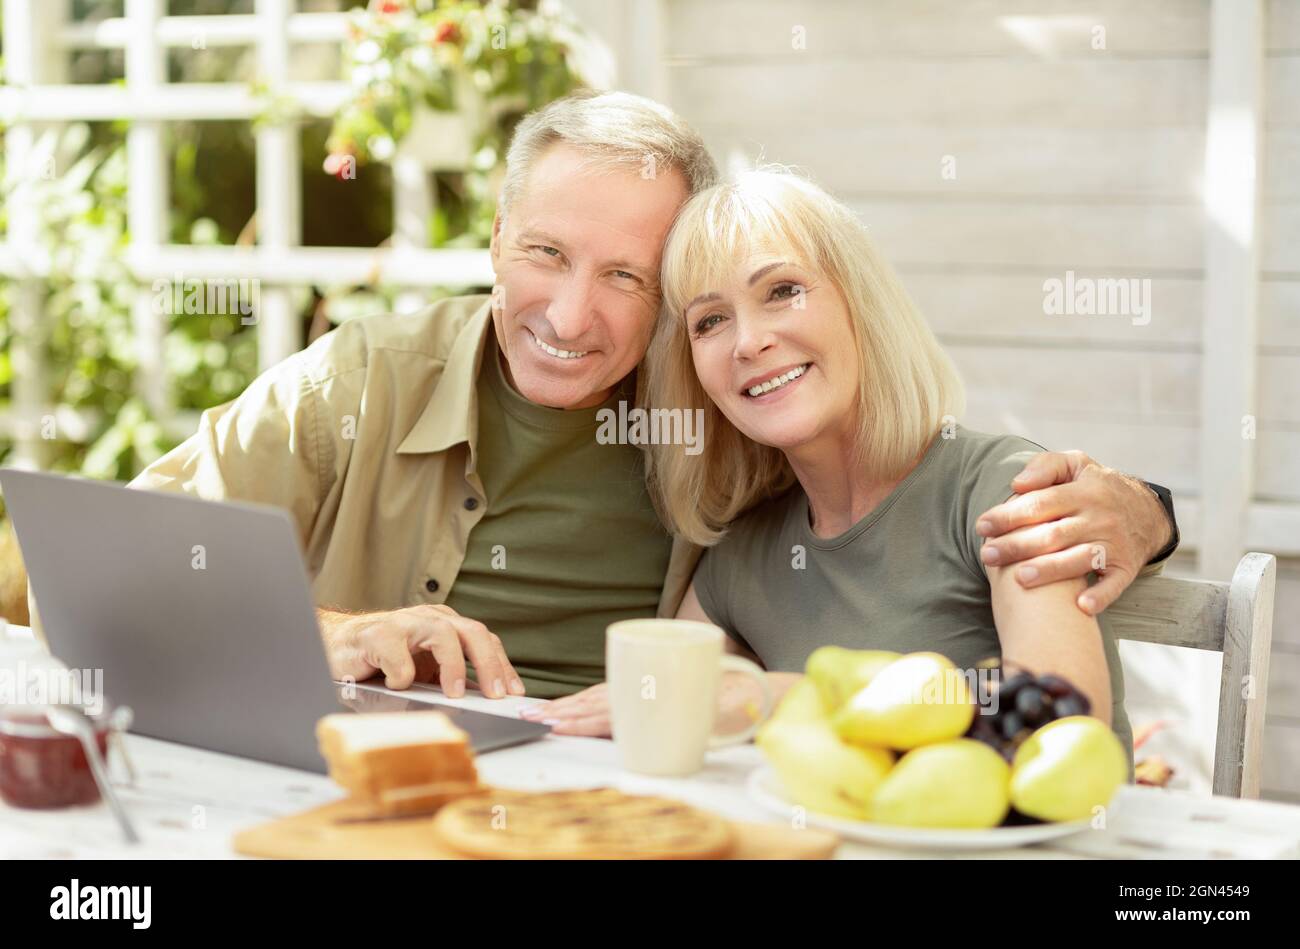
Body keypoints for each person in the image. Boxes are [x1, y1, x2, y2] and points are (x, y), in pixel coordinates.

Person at [46, 92, 1174, 709]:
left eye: (629, 277)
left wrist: (1146, 508)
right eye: (544, 252)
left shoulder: (726, 434)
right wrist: (340, 631)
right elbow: (109, 578)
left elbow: (929, 528)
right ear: (492, 240)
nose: (574, 316)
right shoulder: (364, 377)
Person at [527, 170, 1145, 765]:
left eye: (783, 291)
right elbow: (666, 714)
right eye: (710, 321)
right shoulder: (744, 554)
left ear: (860, 303)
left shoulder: (1006, 491)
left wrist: (782, 697)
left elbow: (1060, 731)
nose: (747, 341)